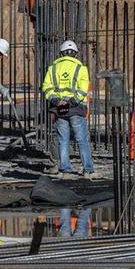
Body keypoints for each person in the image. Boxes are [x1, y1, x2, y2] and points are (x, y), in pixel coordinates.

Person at [42, 40, 95, 179]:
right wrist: (72, 101)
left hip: (60, 109)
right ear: (76, 55)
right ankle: (87, 171)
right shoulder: (81, 68)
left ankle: (65, 171)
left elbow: (46, 87)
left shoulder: (53, 68)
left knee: (63, 140)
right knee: (82, 140)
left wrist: (56, 100)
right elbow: (83, 89)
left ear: (61, 54)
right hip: (76, 109)